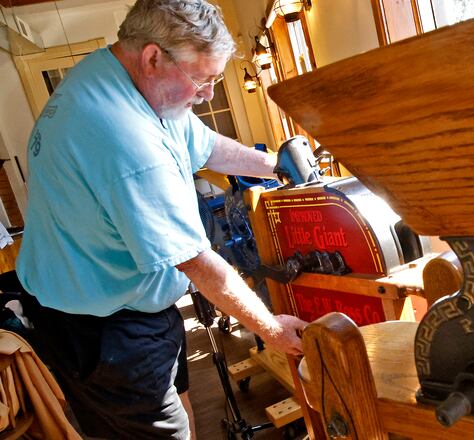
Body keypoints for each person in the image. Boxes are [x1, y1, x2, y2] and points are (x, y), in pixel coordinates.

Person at [15, 0, 308, 438]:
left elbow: (204, 144)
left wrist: (279, 165)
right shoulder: (123, 139)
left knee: (177, 410)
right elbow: (196, 261)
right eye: (202, 79)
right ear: (153, 57)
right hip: (103, 326)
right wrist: (272, 327)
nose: (209, 93)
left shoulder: (124, 75)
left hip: (120, 299)